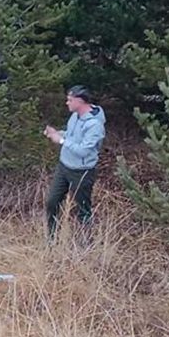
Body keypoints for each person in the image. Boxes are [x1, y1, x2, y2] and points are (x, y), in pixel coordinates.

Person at [43, 85, 106, 239]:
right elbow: (71, 136)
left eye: (70, 100)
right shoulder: (75, 116)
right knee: (52, 202)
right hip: (64, 167)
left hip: (82, 171)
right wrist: (57, 133)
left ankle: (85, 244)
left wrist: (61, 140)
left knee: (82, 209)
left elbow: (84, 150)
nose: (67, 103)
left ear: (80, 101)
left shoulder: (94, 125)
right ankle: (51, 239)